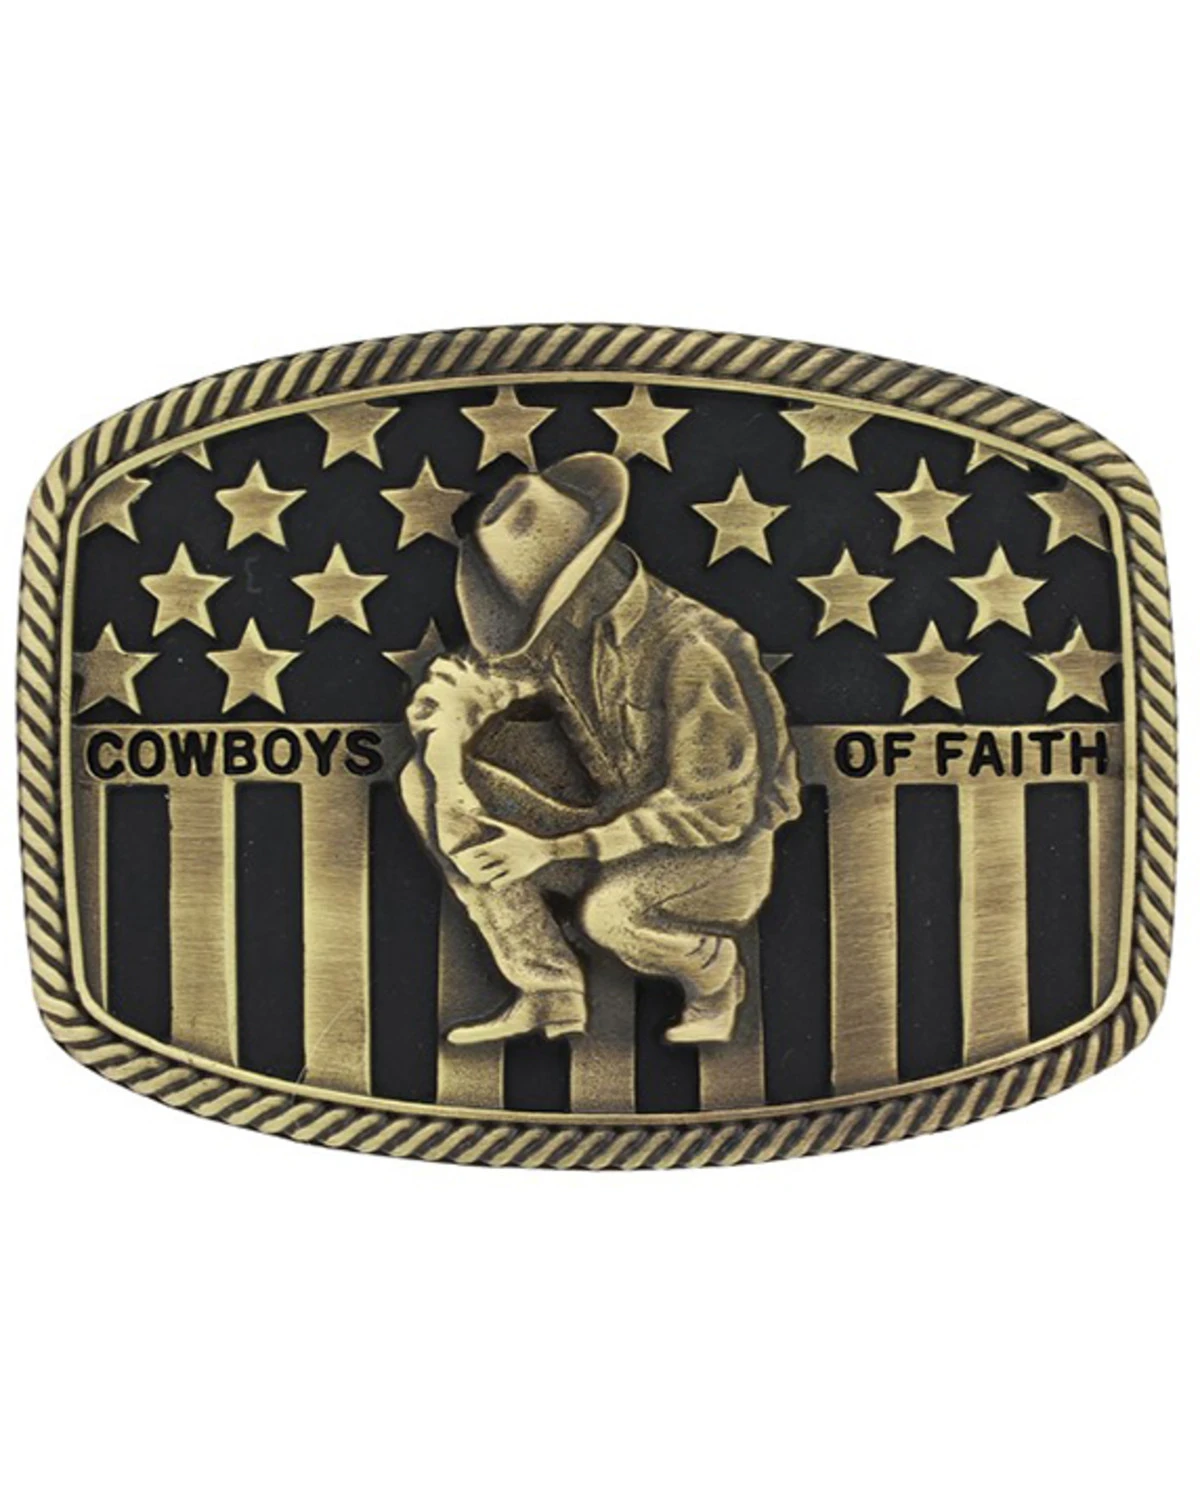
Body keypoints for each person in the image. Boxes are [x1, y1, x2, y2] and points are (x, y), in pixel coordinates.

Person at [399, 452, 801, 1045]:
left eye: (544, 601)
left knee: (611, 915)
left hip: (719, 854)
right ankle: (549, 992)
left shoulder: (690, 648)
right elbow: (467, 684)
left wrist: (550, 848)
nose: (537, 624)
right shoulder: (564, 630)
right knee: (419, 782)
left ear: (589, 575)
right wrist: (448, 770)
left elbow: (717, 812)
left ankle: (713, 977)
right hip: (613, 823)